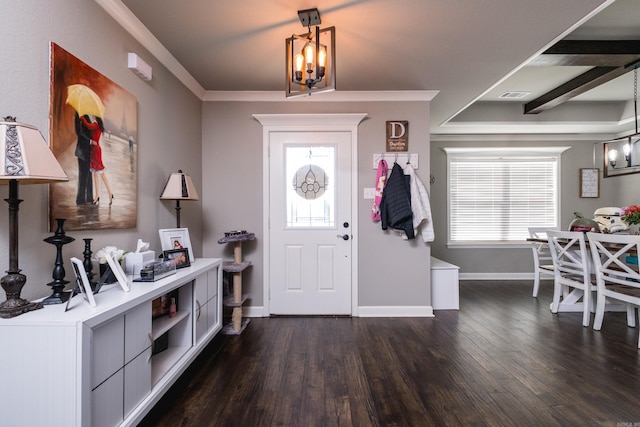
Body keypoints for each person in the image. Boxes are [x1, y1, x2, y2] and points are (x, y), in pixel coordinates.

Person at [79, 115, 113, 206]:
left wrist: (82, 118)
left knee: (100, 173)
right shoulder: (98, 125)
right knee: (96, 174)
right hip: (95, 150)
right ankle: (98, 195)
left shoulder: (95, 125)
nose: (92, 115)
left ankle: (107, 193)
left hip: (95, 151)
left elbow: (88, 126)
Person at [74, 113, 93, 205]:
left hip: (89, 151)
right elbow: (79, 132)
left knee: (89, 176)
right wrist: (90, 141)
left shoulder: (88, 116)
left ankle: (90, 198)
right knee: (83, 177)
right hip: (82, 151)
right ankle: (80, 200)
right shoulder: (79, 115)